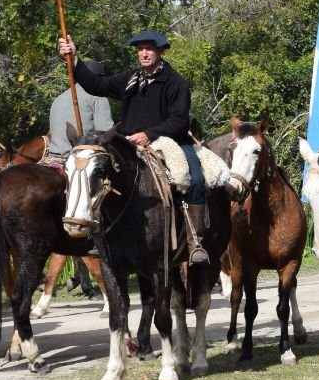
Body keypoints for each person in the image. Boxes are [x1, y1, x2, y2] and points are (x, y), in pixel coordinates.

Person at [58, 30, 232, 266]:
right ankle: (102, 237)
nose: (144, 54)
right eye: (140, 50)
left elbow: (179, 120)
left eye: (149, 49)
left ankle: (195, 241)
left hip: (171, 142)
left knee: (196, 179)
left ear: (160, 51)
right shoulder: (131, 79)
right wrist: (74, 58)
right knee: (100, 176)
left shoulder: (175, 83)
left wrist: (150, 134)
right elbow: (96, 84)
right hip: (130, 142)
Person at [44, 82, 115, 165]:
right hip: (80, 158)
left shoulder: (58, 99)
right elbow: (105, 132)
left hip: (53, 159)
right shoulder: (98, 95)